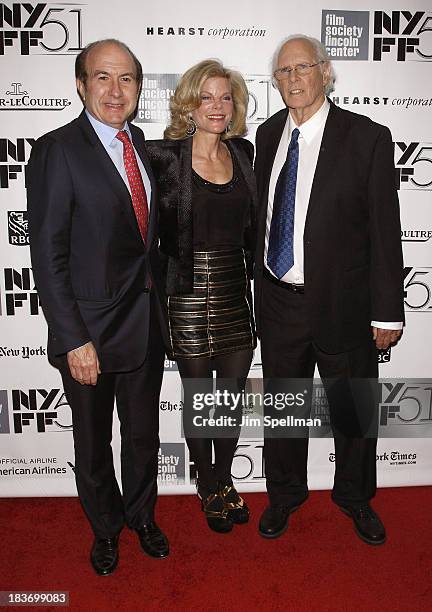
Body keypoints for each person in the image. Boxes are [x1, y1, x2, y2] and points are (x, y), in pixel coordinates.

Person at [254, 35, 404, 545]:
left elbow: (386, 230)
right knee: (283, 409)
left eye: (302, 68)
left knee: (353, 410)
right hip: (279, 301)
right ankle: (285, 495)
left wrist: (388, 311)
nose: (293, 79)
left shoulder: (367, 137)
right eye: (283, 72)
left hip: (345, 304)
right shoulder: (268, 134)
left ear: (326, 72)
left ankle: (356, 498)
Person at [27, 39, 169, 575]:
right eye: (102, 77)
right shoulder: (56, 149)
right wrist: (71, 337)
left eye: (127, 78)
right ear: (81, 84)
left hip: (145, 326)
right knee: (93, 442)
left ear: (138, 87)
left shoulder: (147, 151)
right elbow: (48, 253)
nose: (115, 90)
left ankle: (142, 517)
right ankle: (106, 529)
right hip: (88, 332)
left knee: (142, 434)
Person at [147, 59, 257, 533]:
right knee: (198, 397)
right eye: (206, 97)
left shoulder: (245, 153)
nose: (217, 106)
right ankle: (208, 483)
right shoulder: (163, 157)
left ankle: (224, 479)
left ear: (235, 106)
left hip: (235, 287)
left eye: (225, 97)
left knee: (229, 398)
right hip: (186, 292)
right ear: (189, 104)